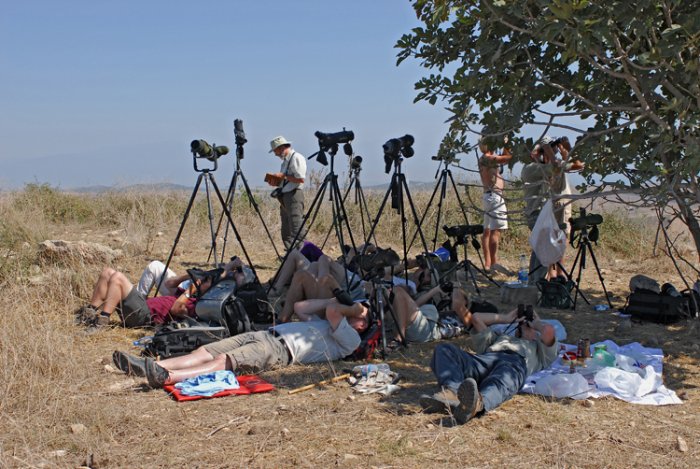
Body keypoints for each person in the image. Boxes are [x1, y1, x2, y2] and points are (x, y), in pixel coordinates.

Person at [112, 297, 370, 387]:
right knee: (206, 349)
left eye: (361, 318)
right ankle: (152, 365)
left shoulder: (351, 338)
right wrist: (339, 301)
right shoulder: (326, 322)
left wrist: (356, 308)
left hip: (278, 350)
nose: (357, 317)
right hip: (265, 334)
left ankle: (167, 376)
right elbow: (302, 306)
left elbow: (336, 312)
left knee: (224, 361)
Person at [419, 307, 557, 424]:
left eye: (529, 326)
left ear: (536, 335)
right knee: (444, 349)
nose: (525, 325)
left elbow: (548, 330)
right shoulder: (500, 337)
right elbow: (476, 318)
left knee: (502, 380)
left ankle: (476, 405)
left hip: (513, 365)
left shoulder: (539, 351)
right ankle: (451, 393)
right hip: (484, 360)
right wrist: (506, 318)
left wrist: (536, 322)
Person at [75, 258, 247, 328]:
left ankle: (103, 319)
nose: (202, 281)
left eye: (206, 282)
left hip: (143, 315)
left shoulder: (198, 304)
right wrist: (191, 275)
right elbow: (169, 283)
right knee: (107, 272)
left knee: (118, 278)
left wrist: (190, 290)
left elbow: (176, 310)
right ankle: (90, 311)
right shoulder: (189, 292)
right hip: (141, 307)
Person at [521, 135, 584, 284]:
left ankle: (540, 283)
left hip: (548, 214)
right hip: (537, 214)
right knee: (542, 250)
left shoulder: (549, 166)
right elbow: (555, 166)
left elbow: (578, 165)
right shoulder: (530, 168)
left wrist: (567, 149)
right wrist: (548, 149)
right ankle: (537, 283)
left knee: (545, 250)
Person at [478, 138, 513, 274]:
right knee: (495, 231)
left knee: (487, 230)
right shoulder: (488, 158)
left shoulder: (484, 158)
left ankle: (488, 263)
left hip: (489, 196)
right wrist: (506, 143)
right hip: (494, 196)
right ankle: (493, 263)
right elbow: (508, 157)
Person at [266, 136, 306, 250]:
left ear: (281, 148)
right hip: (285, 196)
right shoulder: (286, 161)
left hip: (294, 195)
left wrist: (283, 176)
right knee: (286, 230)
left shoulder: (296, 157)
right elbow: (287, 179)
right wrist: (276, 181)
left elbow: (300, 179)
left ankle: (302, 256)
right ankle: (291, 255)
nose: (275, 154)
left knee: (296, 226)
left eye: (275, 151)